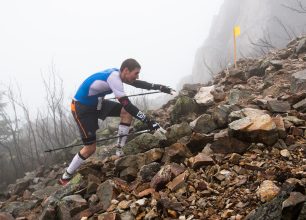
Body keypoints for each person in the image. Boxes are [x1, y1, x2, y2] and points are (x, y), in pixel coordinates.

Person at [59, 58, 173, 185]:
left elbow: (137, 84)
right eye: (136, 73)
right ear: (125, 70)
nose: (137, 76)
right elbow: (128, 104)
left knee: (126, 112)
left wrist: (160, 87)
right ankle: (66, 176)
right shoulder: (114, 79)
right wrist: (149, 121)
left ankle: (119, 150)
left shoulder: (119, 74)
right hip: (82, 108)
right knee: (90, 148)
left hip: (97, 103)